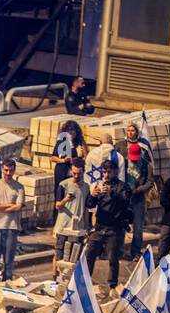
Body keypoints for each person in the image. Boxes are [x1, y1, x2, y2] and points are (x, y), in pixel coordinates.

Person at [84, 158, 130, 287]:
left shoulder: (122, 187)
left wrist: (112, 193)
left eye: (109, 172)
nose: (106, 175)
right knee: (89, 255)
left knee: (113, 259)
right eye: (104, 172)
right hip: (99, 227)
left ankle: (112, 285)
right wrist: (93, 195)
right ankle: (85, 283)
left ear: (115, 172)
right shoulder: (100, 186)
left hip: (114, 229)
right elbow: (89, 204)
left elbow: (125, 201)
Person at [117, 122, 153, 259]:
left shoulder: (146, 165)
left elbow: (150, 182)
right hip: (125, 196)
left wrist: (139, 190)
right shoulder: (124, 163)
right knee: (121, 223)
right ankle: (119, 249)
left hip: (138, 197)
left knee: (138, 226)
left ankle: (136, 251)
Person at [0, 158, 25, 282]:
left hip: (12, 227)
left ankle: (7, 284)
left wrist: (0, 206)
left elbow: (18, 206)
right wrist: (9, 205)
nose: (8, 173)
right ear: (2, 169)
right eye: (6, 170)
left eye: (11, 171)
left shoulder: (19, 187)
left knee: (9, 261)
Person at [52, 157, 90, 265]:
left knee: (75, 256)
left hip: (78, 227)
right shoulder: (64, 185)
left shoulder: (86, 187)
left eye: (79, 174)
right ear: (71, 171)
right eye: (74, 173)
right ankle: (56, 276)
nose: (76, 176)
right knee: (59, 254)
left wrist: (87, 227)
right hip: (63, 225)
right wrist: (66, 200)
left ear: (83, 172)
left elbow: (86, 209)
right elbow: (57, 205)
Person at [51, 119, 86, 189]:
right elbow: (53, 157)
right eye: (68, 131)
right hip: (62, 170)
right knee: (61, 190)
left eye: (73, 131)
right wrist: (64, 160)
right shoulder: (62, 142)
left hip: (76, 171)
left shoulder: (80, 141)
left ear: (76, 131)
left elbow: (86, 156)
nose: (71, 133)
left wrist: (78, 159)